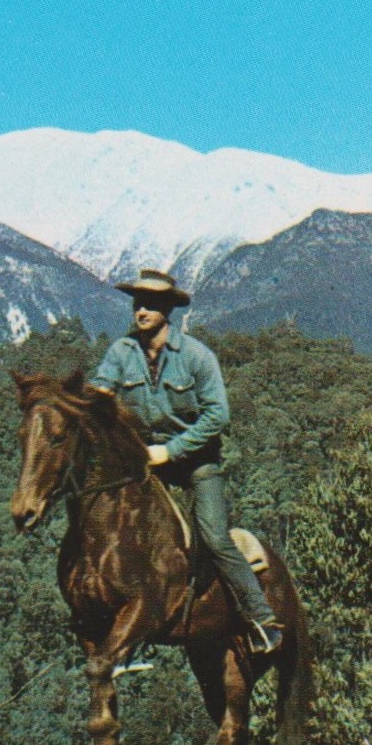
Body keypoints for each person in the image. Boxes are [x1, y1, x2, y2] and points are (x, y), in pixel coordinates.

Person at [89, 269, 284, 655]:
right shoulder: (121, 352)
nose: (140, 311)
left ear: (166, 310)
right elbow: (102, 391)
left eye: (149, 305)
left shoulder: (196, 356)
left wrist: (172, 450)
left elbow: (217, 417)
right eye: (137, 303)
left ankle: (262, 619)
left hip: (196, 463)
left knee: (212, 537)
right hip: (143, 464)